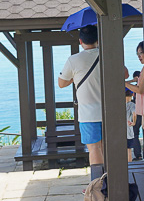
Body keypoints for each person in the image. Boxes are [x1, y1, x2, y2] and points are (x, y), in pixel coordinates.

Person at [58, 24, 128, 170]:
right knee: (108, 148)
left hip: (88, 114)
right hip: (110, 112)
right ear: (98, 39)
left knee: (94, 148)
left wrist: (75, 77)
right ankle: (113, 181)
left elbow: (61, 83)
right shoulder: (108, 54)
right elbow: (125, 74)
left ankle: (98, 184)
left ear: (80, 41)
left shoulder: (74, 60)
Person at [125, 87, 136, 162]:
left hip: (121, 130)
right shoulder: (132, 104)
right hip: (128, 130)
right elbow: (134, 114)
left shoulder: (119, 104)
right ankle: (130, 165)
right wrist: (134, 122)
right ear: (132, 94)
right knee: (129, 150)